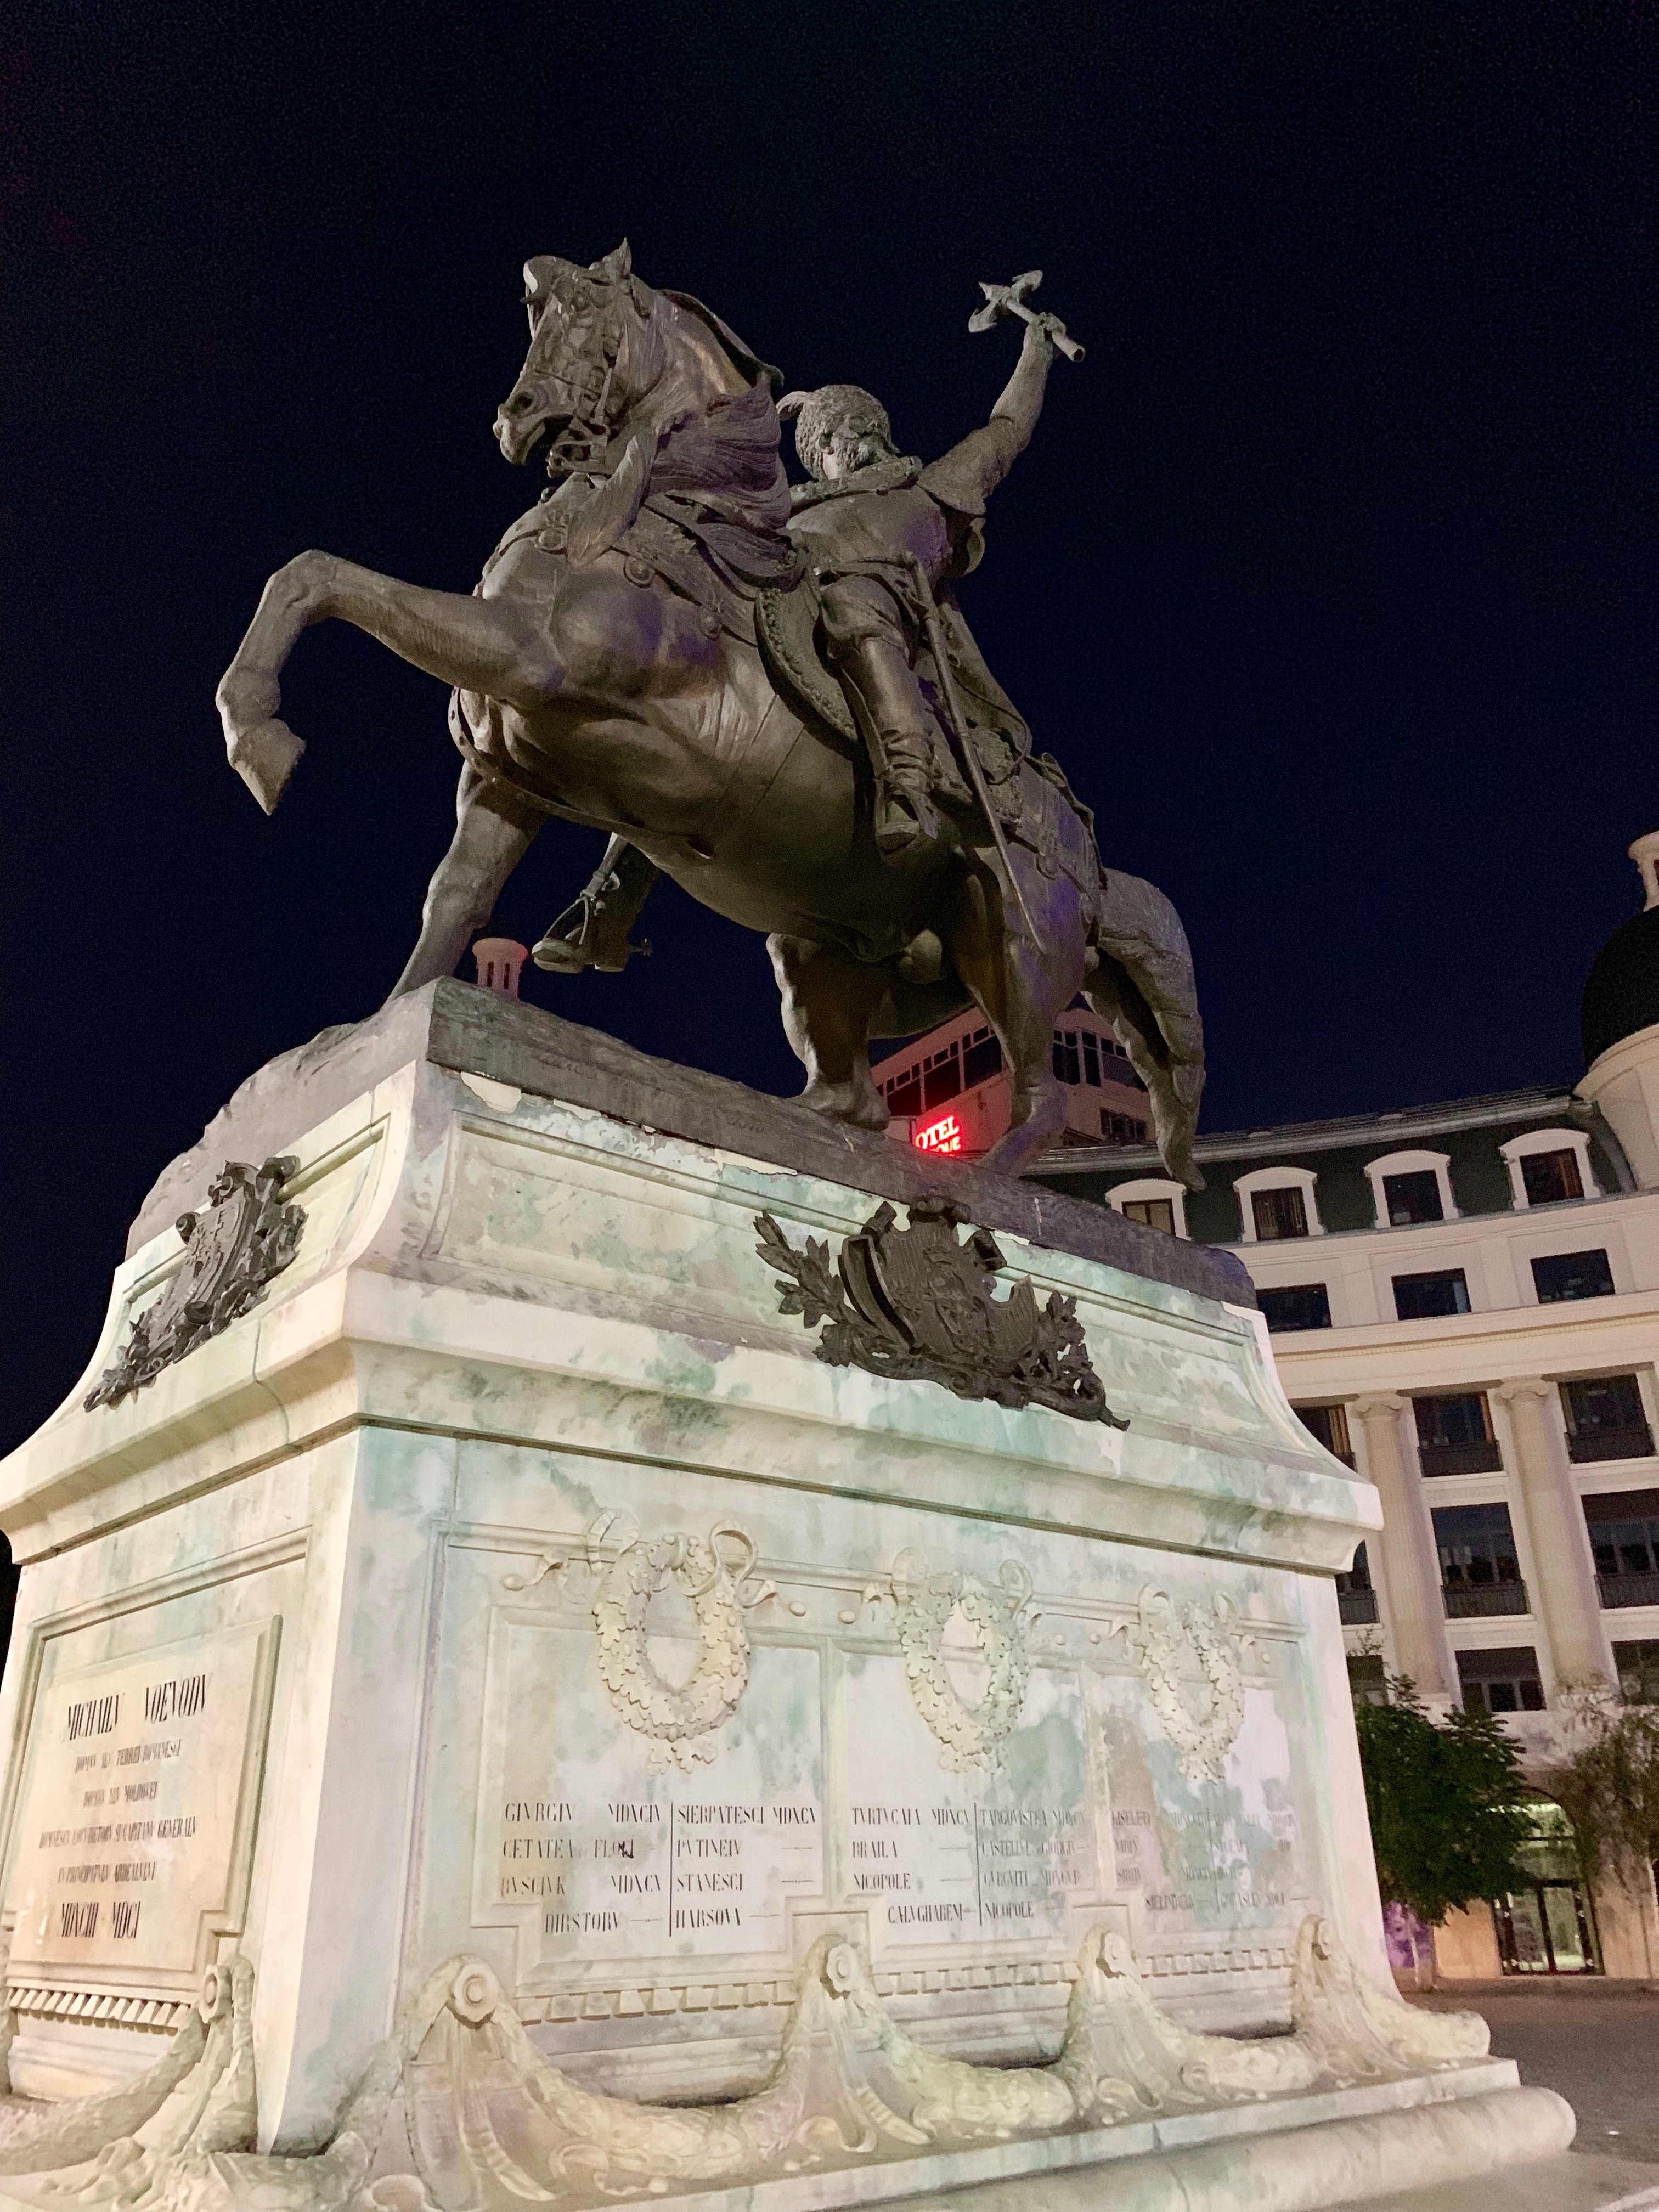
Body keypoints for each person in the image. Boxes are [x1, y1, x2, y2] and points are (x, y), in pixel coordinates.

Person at [533, 312, 1060, 971]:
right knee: (684, 676)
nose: (852, 440)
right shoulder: (795, 512)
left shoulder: (931, 490)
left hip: (879, 617)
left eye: (859, 426)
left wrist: (1035, 353)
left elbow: (1006, 431)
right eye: (832, 437)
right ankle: (611, 898)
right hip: (786, 609)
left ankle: (907, 784)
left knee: (854, 605)